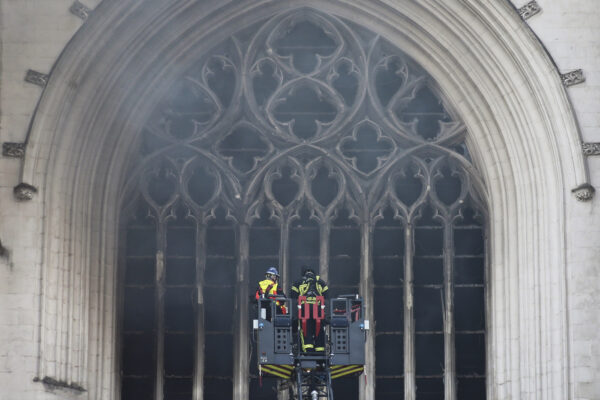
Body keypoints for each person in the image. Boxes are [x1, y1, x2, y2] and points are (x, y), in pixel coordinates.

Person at [290, 266, 329, 352]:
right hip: (318, 309)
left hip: (304, 309)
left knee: (305, 329)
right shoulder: (321, 282)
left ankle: (308, 350)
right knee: (320, 329)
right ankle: (320, 350)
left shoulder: (298, 282)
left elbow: (292, 297)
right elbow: (326, 297)